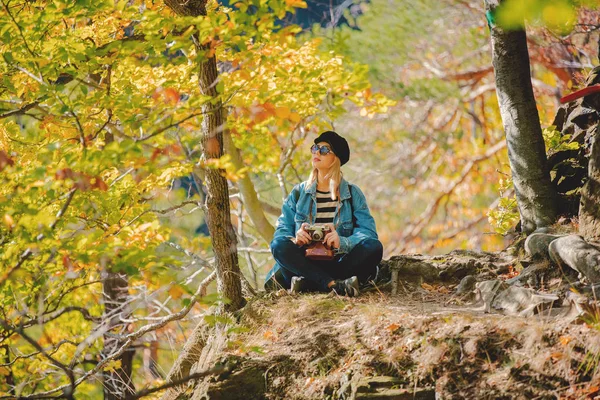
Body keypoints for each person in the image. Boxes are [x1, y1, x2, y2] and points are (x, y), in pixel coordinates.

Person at [265, 130, 383, 297]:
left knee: (374, 247)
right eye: (315, 148)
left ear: (336, 158)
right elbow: (282, 230)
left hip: (338, 262)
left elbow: (368, 233)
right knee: (278, 245)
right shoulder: (299, 192)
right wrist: (296, 239)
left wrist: (342, 242)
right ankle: (333, 284)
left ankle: (309, 283)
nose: (316, 152)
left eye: (324, 150)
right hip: (304, 262)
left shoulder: (352, 193)